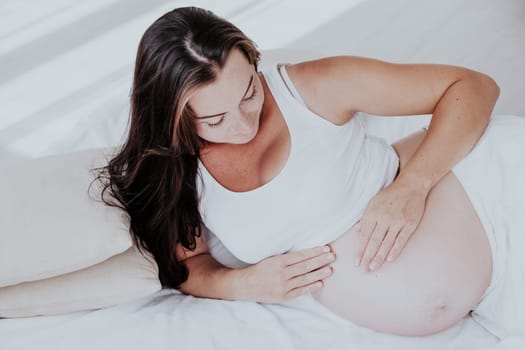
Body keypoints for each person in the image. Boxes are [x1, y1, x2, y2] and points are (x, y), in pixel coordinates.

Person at [94, 6, 525, 339]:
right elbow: (190, 267)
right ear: (175, 119)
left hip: (493, 190)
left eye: (249, 93)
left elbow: (472, 86)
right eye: (215, 120)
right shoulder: (177, 174)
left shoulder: (311, 88)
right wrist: (244, 284)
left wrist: (412, 186)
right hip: (486, 286)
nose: (244, 125)